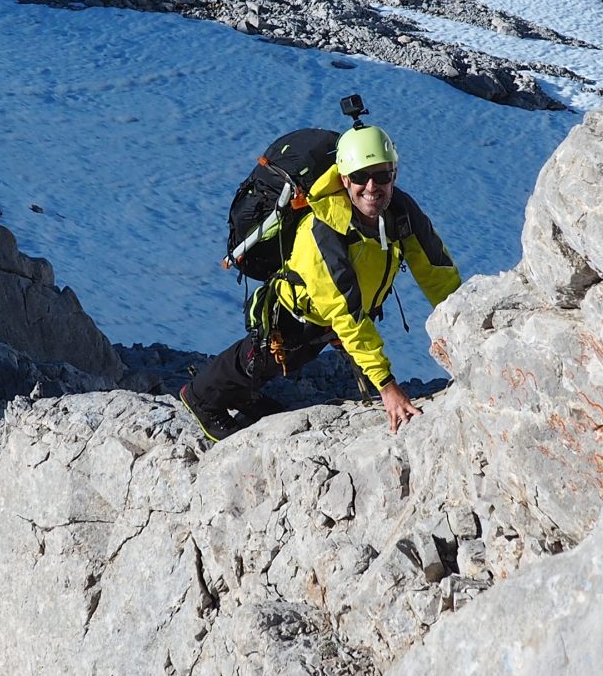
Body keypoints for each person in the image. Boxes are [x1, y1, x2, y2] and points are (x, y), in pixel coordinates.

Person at [180, 123, 461, 441]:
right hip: (298, 310)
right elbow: (346, 314)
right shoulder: (324, 231)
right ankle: (200, 397)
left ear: (394, 174)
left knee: (292, 359)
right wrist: (387, 387)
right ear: (344, 179)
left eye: (381, 175)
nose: (371, 187)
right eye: (359, 177)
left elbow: (437, 272)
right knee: (262, 358)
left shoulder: (401, 212)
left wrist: (465, 324)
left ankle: (241, 395)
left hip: (336, 314)